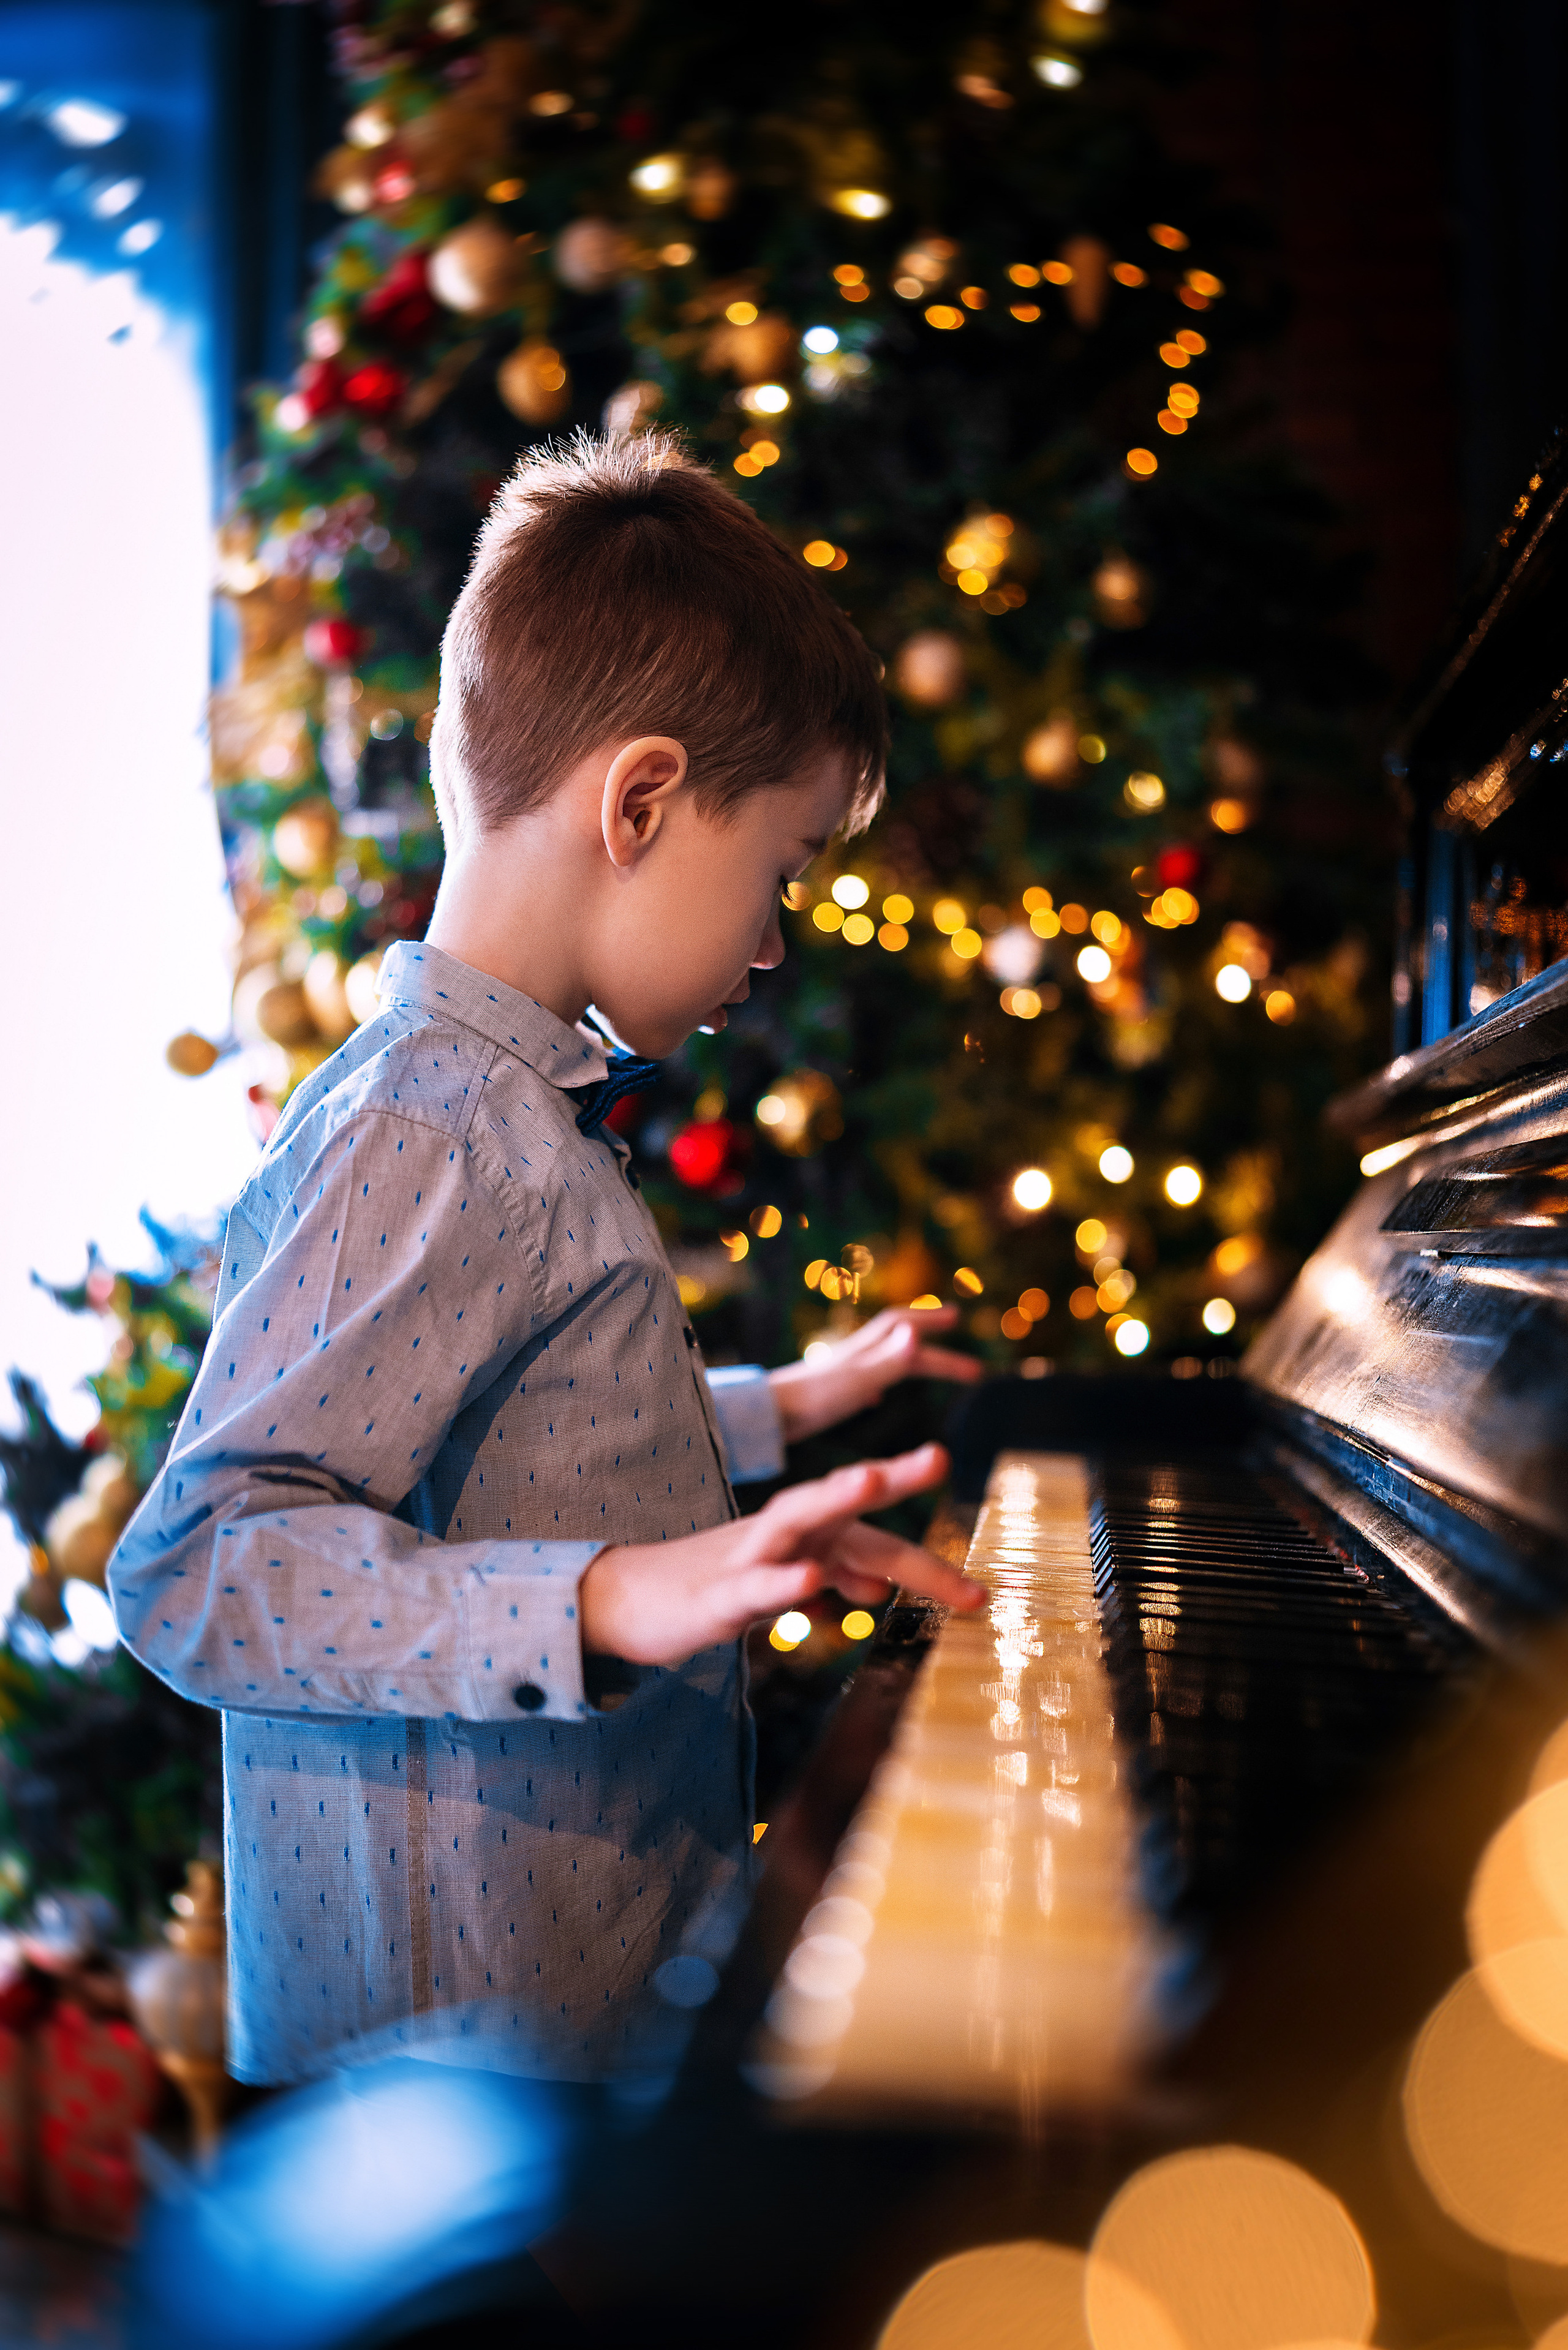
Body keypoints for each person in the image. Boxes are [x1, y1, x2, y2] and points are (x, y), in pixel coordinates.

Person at [108, 433, 984, 2088]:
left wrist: (778, 1410)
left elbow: (506, 1431)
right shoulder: (432, 1132)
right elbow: (199, 1565)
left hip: (550, 2008)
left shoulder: (495, 1106)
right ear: (640, 801)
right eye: (779, 872)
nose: (776, 939)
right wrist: (609, 1596)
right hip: (452, 2071)